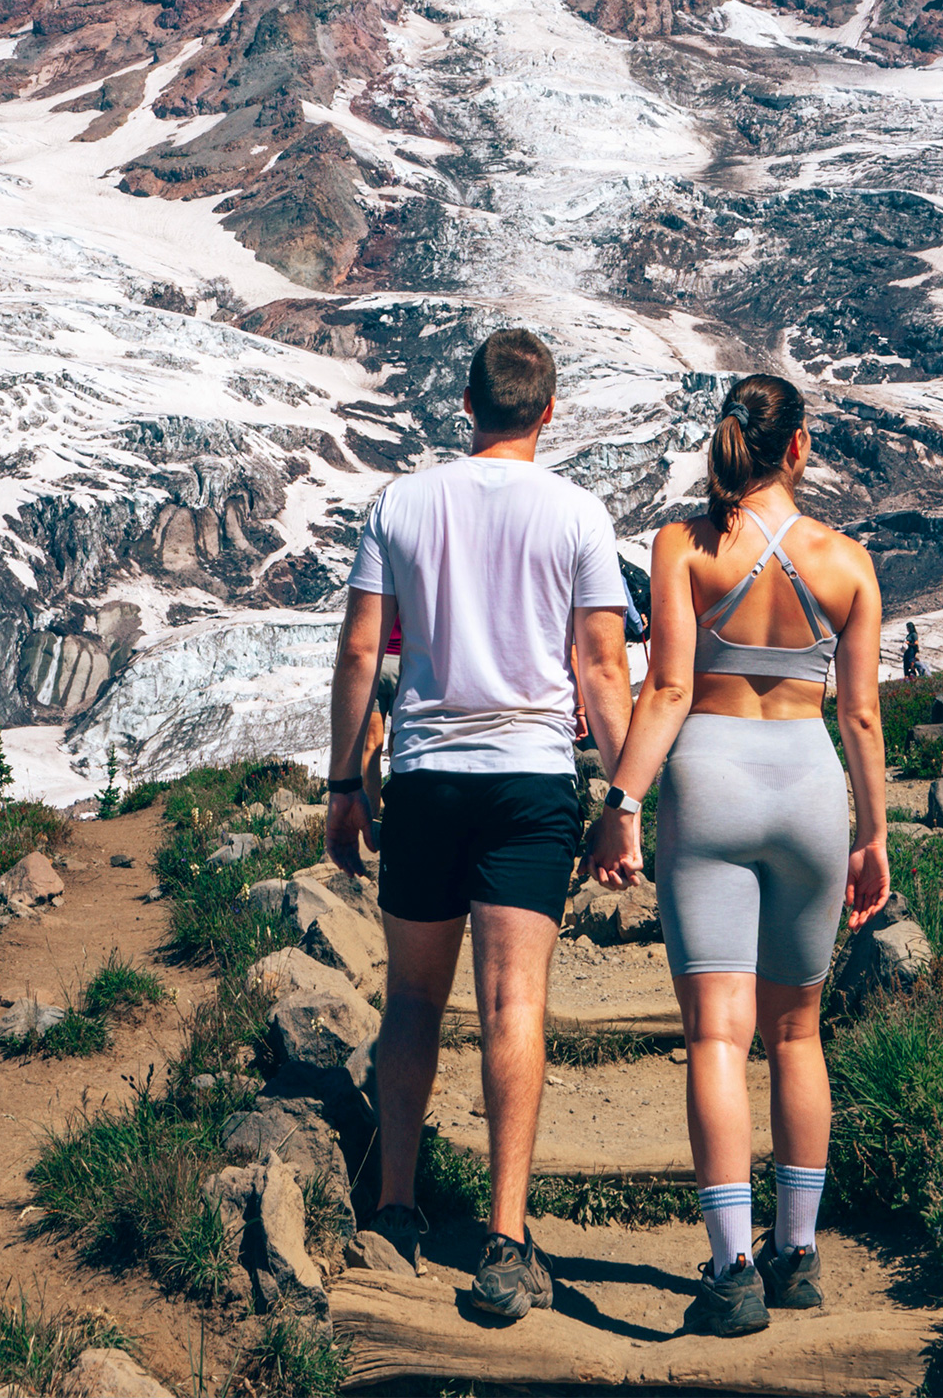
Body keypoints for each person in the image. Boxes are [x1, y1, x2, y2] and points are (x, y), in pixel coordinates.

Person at [325, 328, 634, 1321]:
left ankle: (397, 1208)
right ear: (549, 412)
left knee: (412, 1001)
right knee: (514, 1008)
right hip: (529, 785)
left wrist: (345, 781)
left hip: (423, 777)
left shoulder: (401, 504)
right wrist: (623, 799)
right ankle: (505, 1242)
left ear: (466, 404)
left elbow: (362, 652)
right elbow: (600, 669)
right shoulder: (579, 513)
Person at [589, 374, 890, 1338]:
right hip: (810, 786)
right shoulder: (847, 562)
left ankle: (733, 1272)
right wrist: (873, 834)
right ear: (798, 449)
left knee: (717, 1036)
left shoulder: (682, 545)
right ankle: (799, 1254)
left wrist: (622, 801)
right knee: (796, 1033)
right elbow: (862, 715)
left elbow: (668, 688)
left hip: (710, 781)